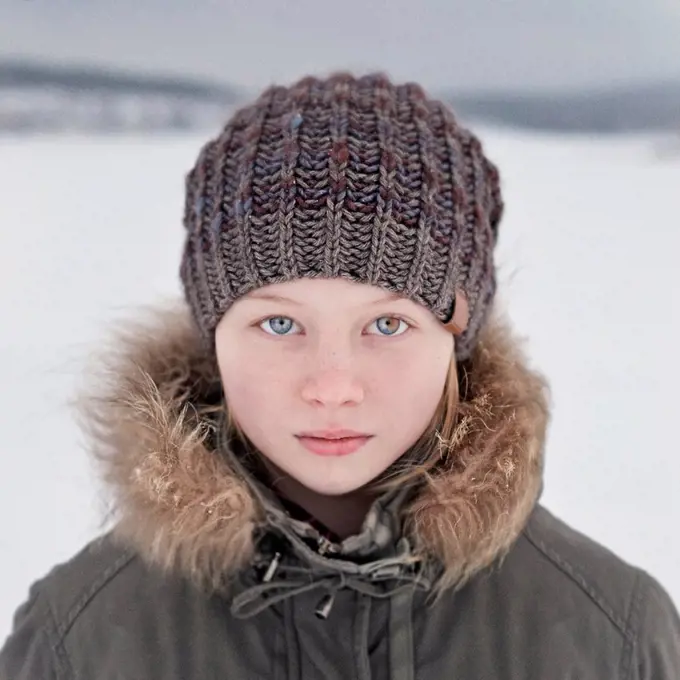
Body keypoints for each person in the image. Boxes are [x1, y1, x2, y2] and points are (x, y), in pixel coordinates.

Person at [1, 71, 678, 680]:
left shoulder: (613, 637)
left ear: (457, 340)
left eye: (387, 326)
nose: (331, 386)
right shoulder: (79, 639)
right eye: (279, 325)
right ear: (214, 338)